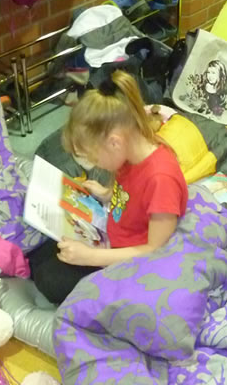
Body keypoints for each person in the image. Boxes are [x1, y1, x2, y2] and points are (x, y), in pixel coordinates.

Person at [27, 70, 188, 304]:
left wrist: (91, 257)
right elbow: (132, 192)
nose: (95, 165)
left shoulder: (161, 179)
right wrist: (106, 194)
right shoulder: (131, 152)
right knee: (40, 251)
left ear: (114, 142)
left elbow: (155, 251)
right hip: (110, 237)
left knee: (50, 279)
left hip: (132, 263)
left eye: (94, 157)